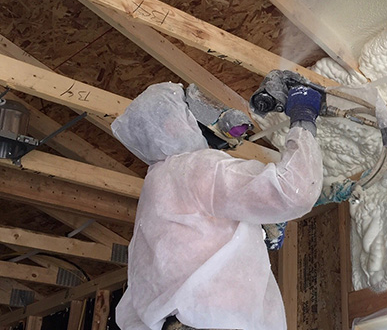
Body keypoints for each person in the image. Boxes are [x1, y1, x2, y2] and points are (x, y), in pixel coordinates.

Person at [110, 74, 324, 330]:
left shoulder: (154, 192)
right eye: (191, 110)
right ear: (171, 125)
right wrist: (303, 117)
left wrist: (254, 236)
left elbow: (172, 272)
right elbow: (295, 189)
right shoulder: (192, 167)